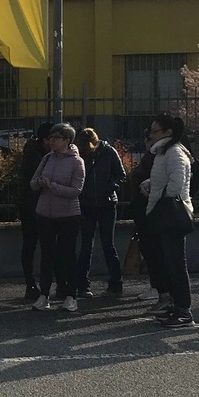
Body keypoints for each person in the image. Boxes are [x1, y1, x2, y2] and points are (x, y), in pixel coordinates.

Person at [143, 114, 195, 328]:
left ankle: (184, 311)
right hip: (165, 212)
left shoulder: (173, 152)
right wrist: (150, 184)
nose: (151, 135)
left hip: (173, 214)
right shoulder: (164, 153)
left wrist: (160, 197)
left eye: (155, 131)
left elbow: (176, 183)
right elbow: (164, 178)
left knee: (176, 265)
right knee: (169, 263)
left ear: (168, 132)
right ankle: (176, 306)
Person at [30, 124, 85, 312]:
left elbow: (76, 191)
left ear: (67, 141)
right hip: (44, 213)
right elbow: (32, 183)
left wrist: (52, 186)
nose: (52, 141)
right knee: (46, 255)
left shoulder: (77, 162)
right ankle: (44, 295)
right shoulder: (47, 158)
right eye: (51, 137)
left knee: (68, 255)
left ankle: (71, 295)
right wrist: (39, 183)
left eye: (56, 138)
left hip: (68, 215)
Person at [75, 127, 126, 298]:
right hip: (95, 203)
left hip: (105, 203)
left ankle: (107, 284)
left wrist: (109, 187)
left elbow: (121, 175)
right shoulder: (103, 152)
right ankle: (86, 284)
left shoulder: (108, 152)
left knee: (103, 245)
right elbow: (120, 175)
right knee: (89, 245)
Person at [127, 133, 168, 306]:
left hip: (152, 209)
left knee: (156, 252)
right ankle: (157, 287)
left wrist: (151, 186)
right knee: (150, 250)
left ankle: (161, 289)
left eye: (150, 138)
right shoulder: (151, 156)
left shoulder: (162, 156)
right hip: (144, 209)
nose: (147, 143)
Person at [18, 123, 51, 301]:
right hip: (32, 205)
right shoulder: (35, 153)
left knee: (34, 245)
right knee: (33, 244)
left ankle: (34, 284)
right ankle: (31, 283)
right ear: (45, 140)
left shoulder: (34, 150)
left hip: (32, 203)